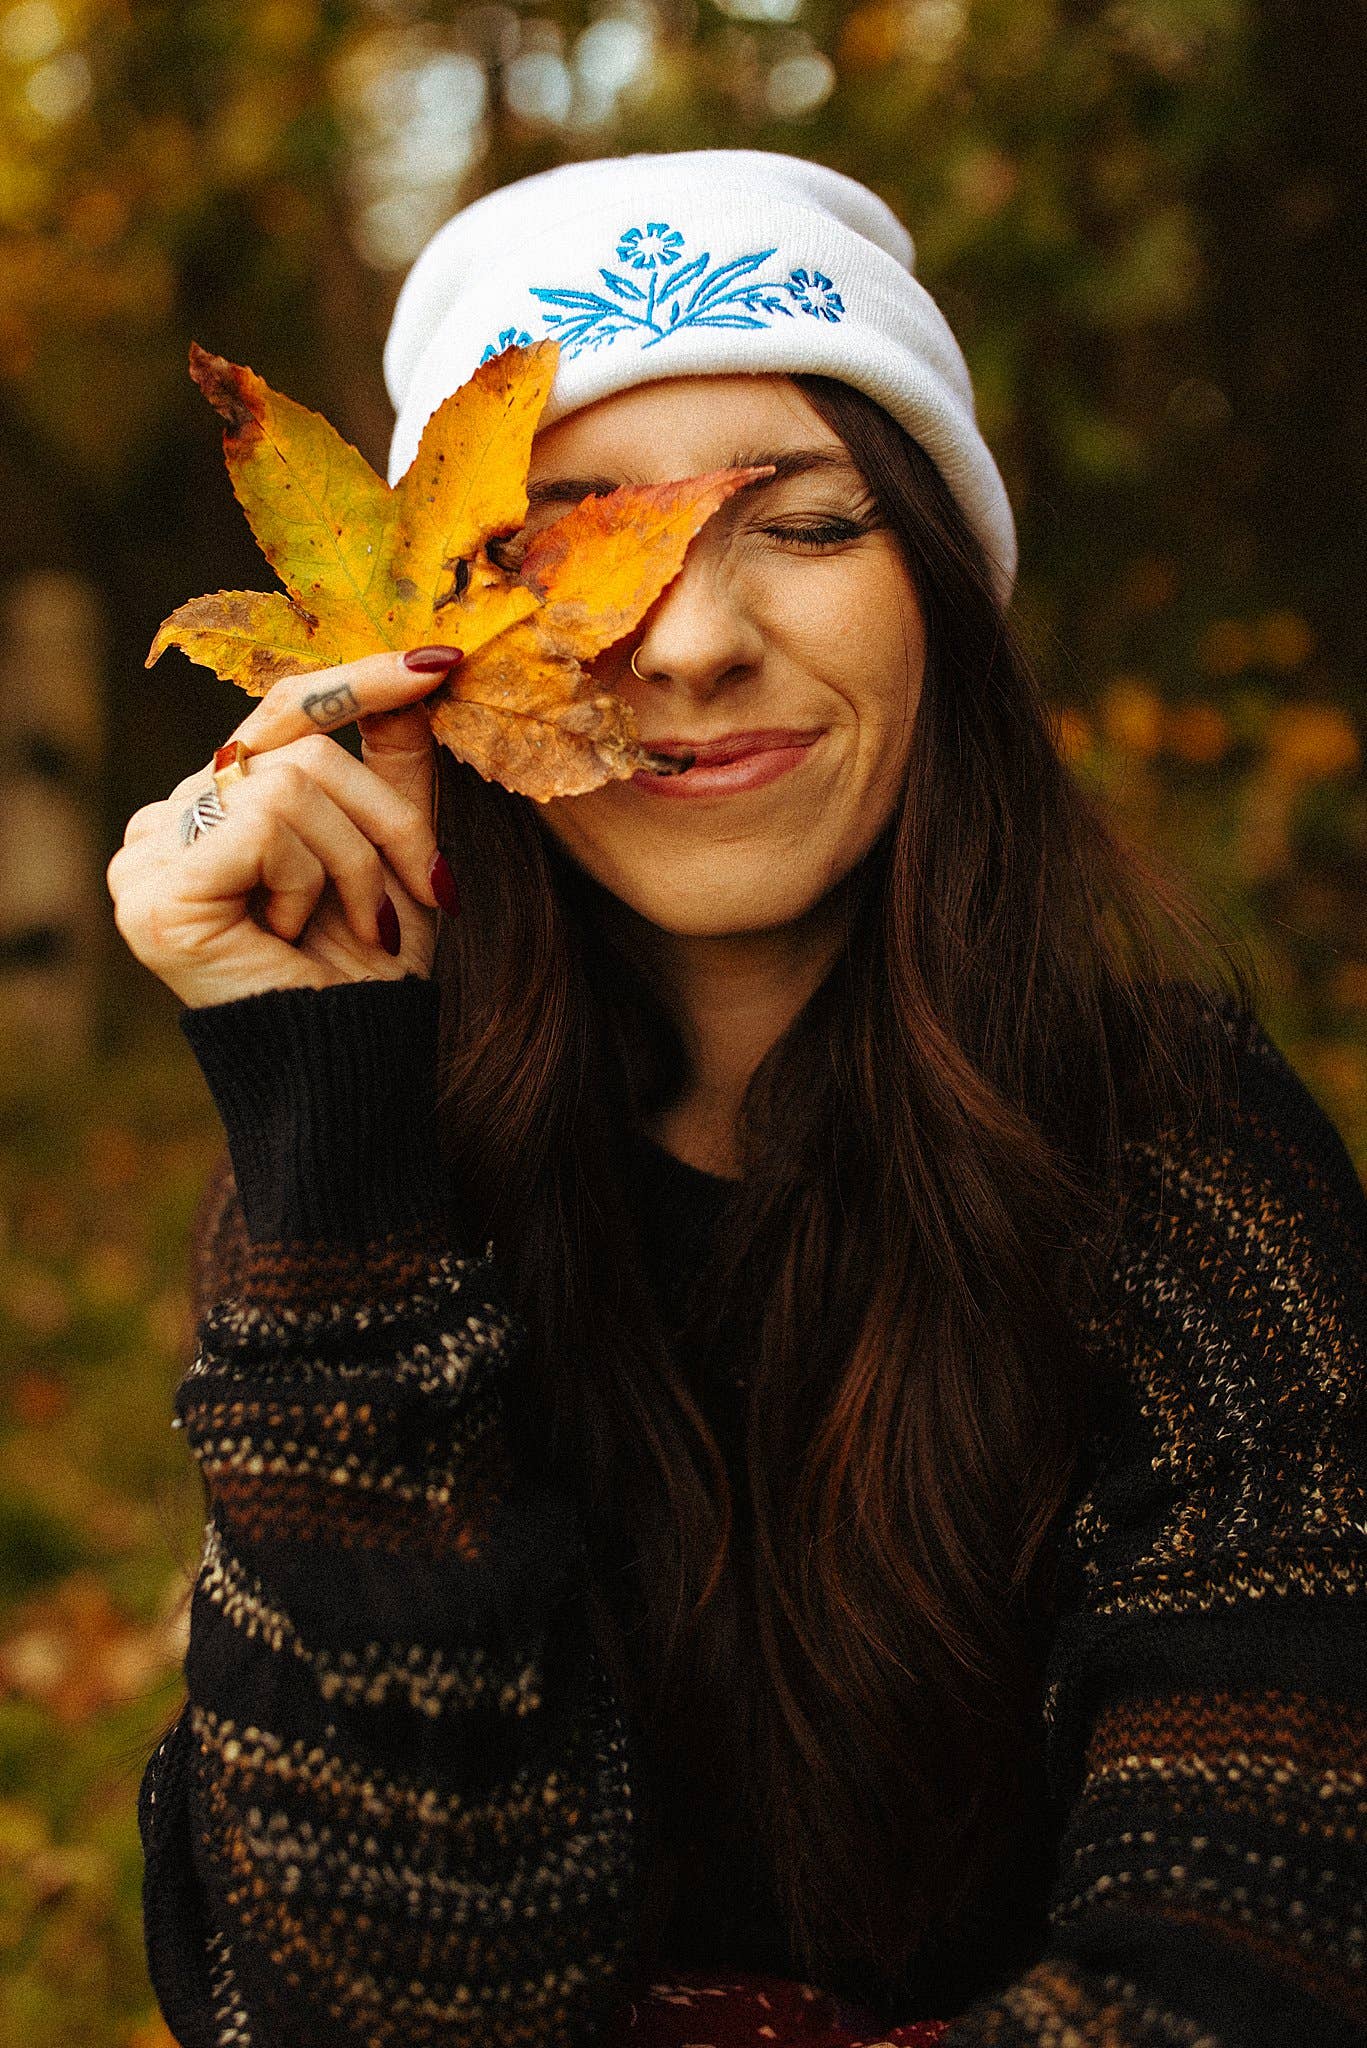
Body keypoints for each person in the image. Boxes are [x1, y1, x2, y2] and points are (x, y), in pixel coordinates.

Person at [108, 150, 1367, 2048]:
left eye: (805, 525)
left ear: (942, 587)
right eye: (566, 549)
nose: (691, 639)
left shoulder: (1185, 1172)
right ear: (420, 666)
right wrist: (327, 1126)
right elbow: (353, 1994)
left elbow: (1263, 1950)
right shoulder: (376, 1189)